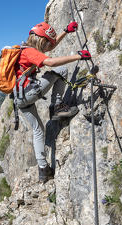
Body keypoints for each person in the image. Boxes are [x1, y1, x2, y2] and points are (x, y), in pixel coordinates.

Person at [14, 21, 91, 183]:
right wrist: (79, 55)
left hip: (19, 98)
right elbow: (50, 62)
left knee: (38, 130)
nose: (49, 45)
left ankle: (43, 171)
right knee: (61, 70)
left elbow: (50, 47)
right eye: (47, 41)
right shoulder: (29, 52)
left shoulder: (25, 49)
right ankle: (57, 106)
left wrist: (65, 31)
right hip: (28, 94)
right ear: (42, 40)